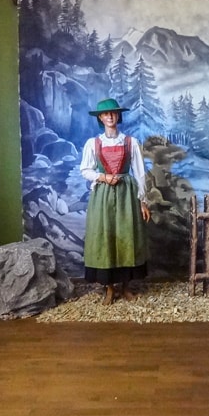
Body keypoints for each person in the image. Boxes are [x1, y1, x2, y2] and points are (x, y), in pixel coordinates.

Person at [80, 98, 151, 305]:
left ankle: (126, 287)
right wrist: (103, 177)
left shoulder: (131, 142)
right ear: (100, 118)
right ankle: (109, 289)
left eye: (113, 113)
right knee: (106, 237)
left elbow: (139, 173)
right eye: (105, 114)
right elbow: (85, 170)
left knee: (126, 236)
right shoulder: (93, 143)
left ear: (118, 116)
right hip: (102, 195)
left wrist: (143, 201)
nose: (110, 116)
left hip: (126, 194)